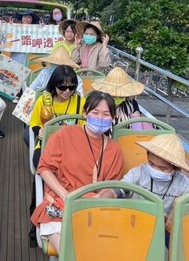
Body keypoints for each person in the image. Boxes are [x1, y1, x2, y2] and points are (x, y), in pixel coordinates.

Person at [30, 91, 124, 254]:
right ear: (85, 113)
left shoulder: (114, 149)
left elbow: (113, 185)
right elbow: (44, 168)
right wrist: (66, 195)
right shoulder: (64, 134)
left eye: (106, 114)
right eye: (95, 113)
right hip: (60, 206)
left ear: (113, 117)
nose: (100, 118)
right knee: (74, 253)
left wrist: (100, 198)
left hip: (95, 209)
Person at [98, 134, 189, 244]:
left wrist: (171, 223)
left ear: (176, 168)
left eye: (162, 168)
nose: (155, 169)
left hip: (163, 232)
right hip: (133, 226)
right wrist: (103, 199)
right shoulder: (138, 173)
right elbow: (117, 190)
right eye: (151, 164)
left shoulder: (184, 185)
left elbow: (187, 215)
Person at [29, 65, 86, 168]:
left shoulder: (80, 102)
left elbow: (85, 126)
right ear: (54, 84)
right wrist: (39, 131)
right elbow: (34, 122)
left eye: (72, 87)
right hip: (47, 143)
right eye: (63, 87)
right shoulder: (43, 101)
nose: (67, 91)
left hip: (72, 145)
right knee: (42, 165)